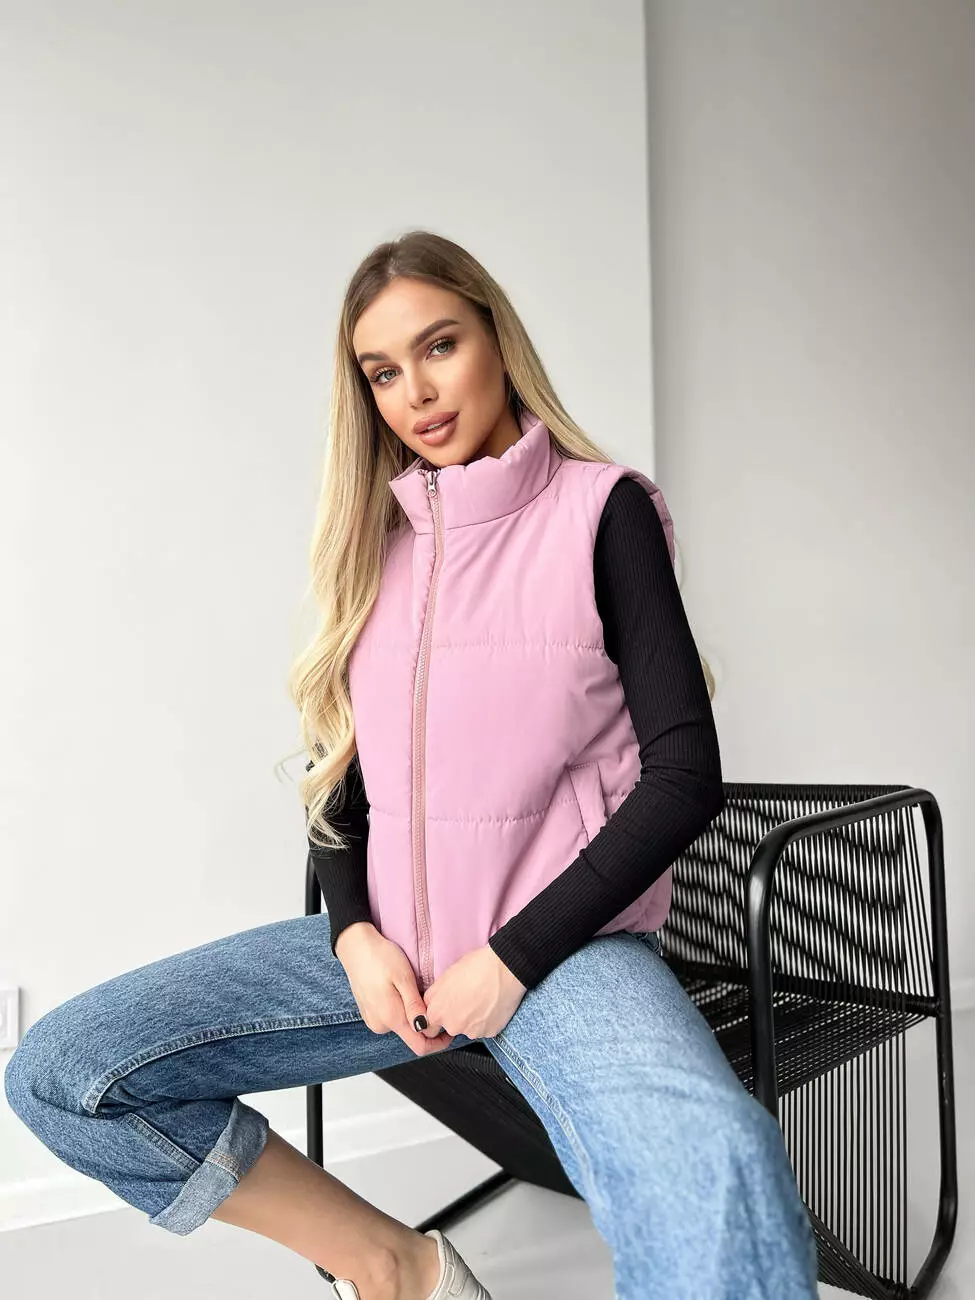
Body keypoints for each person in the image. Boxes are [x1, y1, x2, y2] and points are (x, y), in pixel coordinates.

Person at [4, 231, 820, 1300]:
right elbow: (338, 780)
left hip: (563, 955)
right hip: (387, 957)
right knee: (63, 1071)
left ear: (496, 339)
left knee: (714, 1166)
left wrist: (512, 957)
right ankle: (396, 1269)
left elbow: (683, 775)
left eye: (439, 346)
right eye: (382, 372)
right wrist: (352, 934)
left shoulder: (600, 510)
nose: (417, 393)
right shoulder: (376, 546)